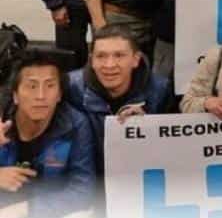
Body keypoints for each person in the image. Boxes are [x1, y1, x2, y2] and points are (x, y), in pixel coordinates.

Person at [0, 50, 95, 218]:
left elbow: (82, 190)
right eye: (32, 86)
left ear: (59, 95)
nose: (41, 96)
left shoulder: (75, 124)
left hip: (47, 210)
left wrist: (26, 209)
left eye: (50, 86)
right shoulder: (1, 121)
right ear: (15, 96)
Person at [67, 27, 172, 174]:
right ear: (91, 60)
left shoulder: (160, 90)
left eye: (119, 55)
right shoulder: (69, 87)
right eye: (101, 56)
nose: (109, 65)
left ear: (136, 60)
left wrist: (148, 127)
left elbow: (171, 151)